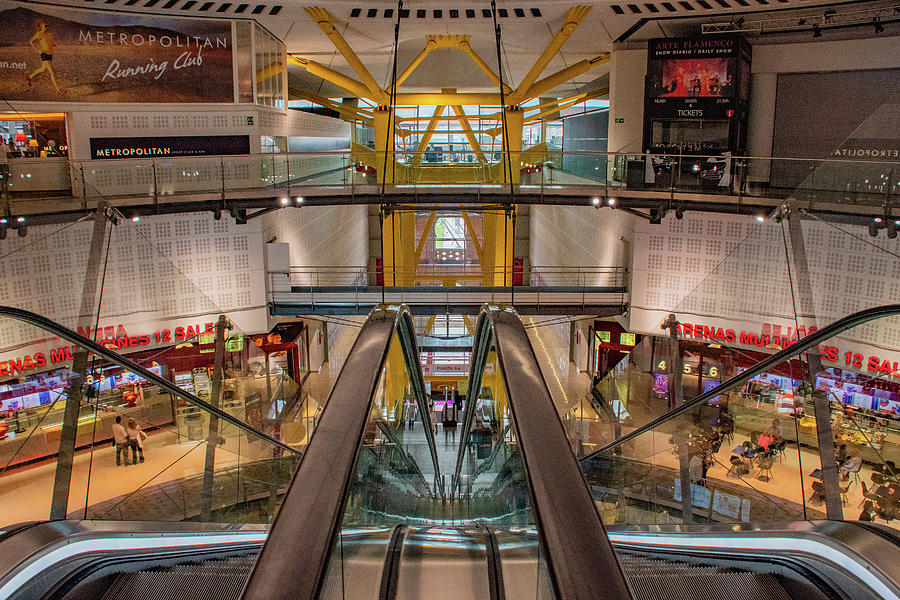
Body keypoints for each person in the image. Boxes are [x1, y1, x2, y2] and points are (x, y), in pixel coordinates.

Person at [27, 20, 63, 94]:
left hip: (50, 54)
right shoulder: (39, 34)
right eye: (45, 26)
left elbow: (52, 43)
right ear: (41, 27)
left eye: (47, 26)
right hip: (44, 54)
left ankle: (29, 77)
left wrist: (57, 45)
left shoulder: (50, 34)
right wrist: (38, 50)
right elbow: (30, 41)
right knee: (51, 72)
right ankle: (57, 89)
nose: (46, 27)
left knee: (43, 69)